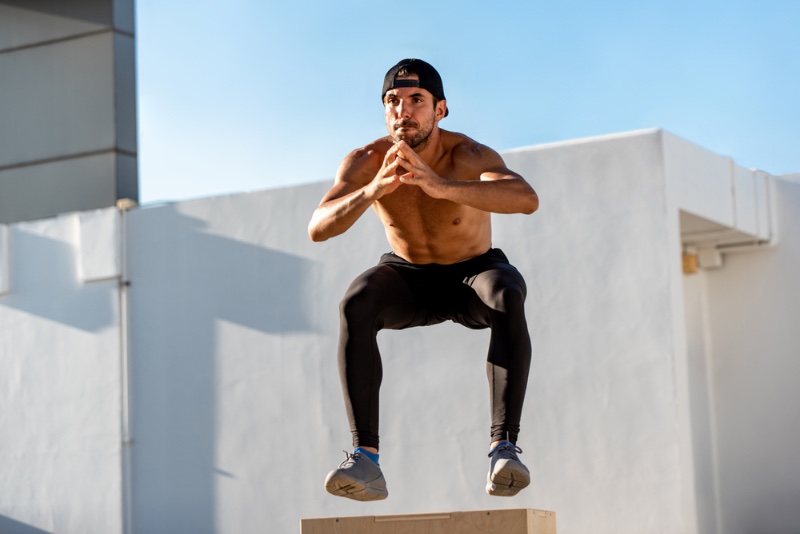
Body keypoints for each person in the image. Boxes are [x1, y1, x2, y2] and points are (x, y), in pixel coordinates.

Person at [308, 58, 539, 501]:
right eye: (393, 101)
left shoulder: (468, 155)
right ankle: (365, 459)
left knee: (507, 291)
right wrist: (374, 189)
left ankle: (503, 448)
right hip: (409, 276)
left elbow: (526, 199)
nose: (404, 111)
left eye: (417, 100)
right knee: (356, 301)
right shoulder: (366, 161)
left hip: (472, 273)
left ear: (441, 110)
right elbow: (318, 226)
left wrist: (440, 186)